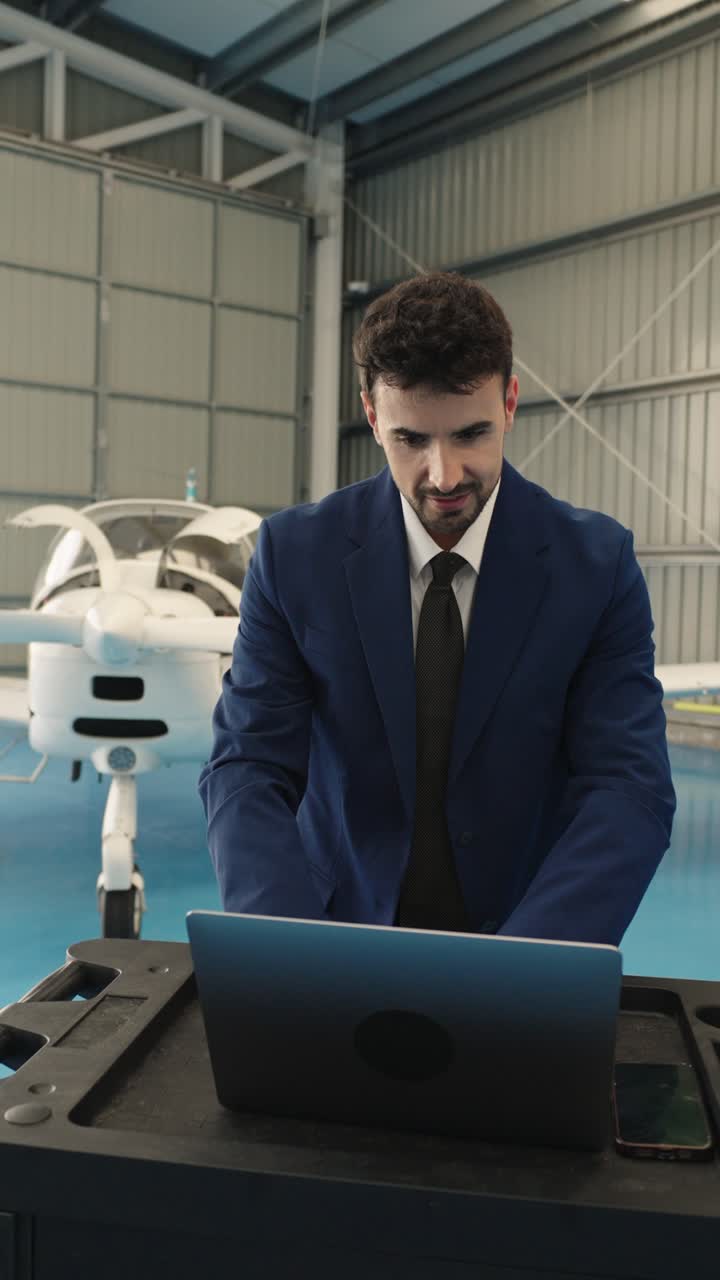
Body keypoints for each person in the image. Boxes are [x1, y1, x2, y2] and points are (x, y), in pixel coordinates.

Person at [199, 271, 675, 944]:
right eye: (411, 440)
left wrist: (530, 966)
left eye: (471, 434)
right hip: (336, 930)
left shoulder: (595, 567)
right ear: (371, 414)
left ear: (511, 402)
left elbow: (628, 787)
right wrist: (294, 952)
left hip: (527, 932)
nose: (444, 475)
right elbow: (248, 767)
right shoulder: (295, 555)